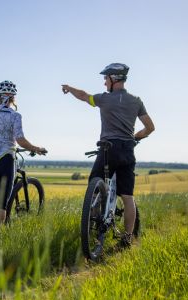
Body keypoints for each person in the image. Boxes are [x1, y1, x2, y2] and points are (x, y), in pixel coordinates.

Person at [61, 63, 155, 248]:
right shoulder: (136, 101)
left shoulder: (104, 99)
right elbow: (150, 128)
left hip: (108, 149)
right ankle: (127, 238)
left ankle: (92, 225)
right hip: (128, 149)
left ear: (114, 78)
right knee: (128, 196)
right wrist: (135, 137)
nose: (104, 83)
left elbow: (83, 96)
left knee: (95, 184)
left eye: (106, 78)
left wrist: (69, 88)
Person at [0, 80, 47, 226]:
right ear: (12, 98)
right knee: (2, 202)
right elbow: (20, 140)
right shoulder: (15, 116)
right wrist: (36, 148)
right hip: (5, 159)